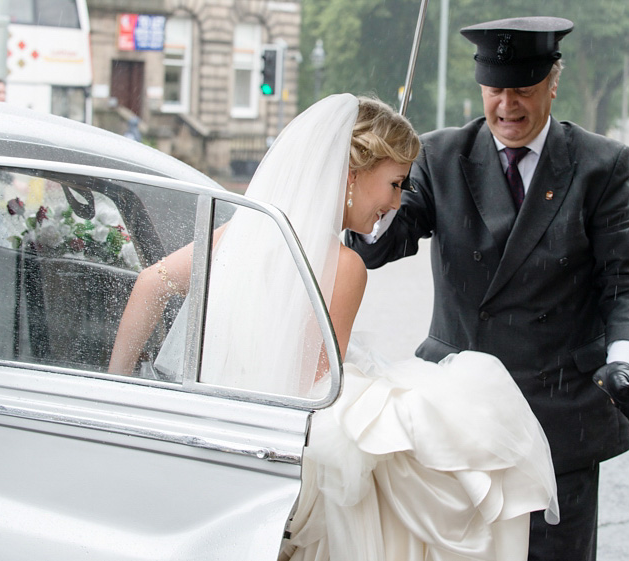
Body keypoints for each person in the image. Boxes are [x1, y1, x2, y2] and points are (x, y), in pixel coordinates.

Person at [108, 94, 559, 560]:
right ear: (352, 175)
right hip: (291, 445)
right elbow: (320, 388)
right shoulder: (344, 266)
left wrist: (116, 383)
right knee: (470, 430)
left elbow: (150, 283)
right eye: (395, 184)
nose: (397, 203)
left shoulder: (243, 234)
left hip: (225, 428)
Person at [345, 17, 629, 561]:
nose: (508, 106)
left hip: (560, 418)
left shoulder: (600, 165)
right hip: (460, 419)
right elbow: (381, 243)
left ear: (553, 83)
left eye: (524, 90)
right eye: (496, 90)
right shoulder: (439, 155)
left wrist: (624, 359)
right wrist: (371, 177)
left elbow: (626, 278)